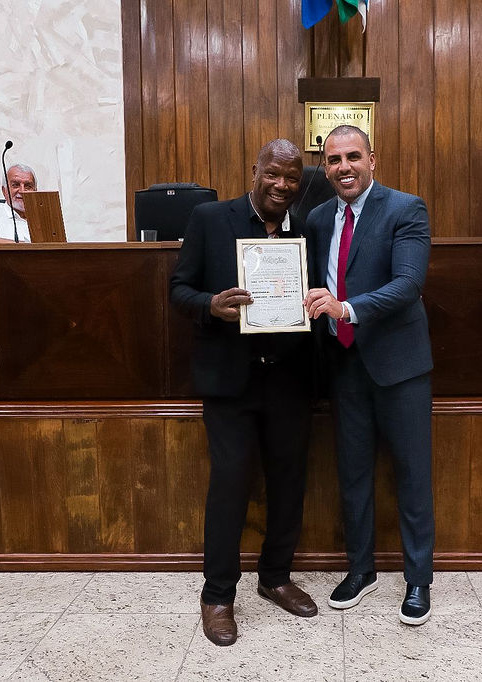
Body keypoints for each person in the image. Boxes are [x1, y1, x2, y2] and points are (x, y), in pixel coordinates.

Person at [169, 139, 316, 647]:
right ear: (254, 170)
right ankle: (217, 596)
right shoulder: (210, 218)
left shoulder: (308, 228)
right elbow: (178, 289)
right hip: (229, 380)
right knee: (230, 484)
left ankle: (275, 577)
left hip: (290, 379)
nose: (282, 185)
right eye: (273, 174)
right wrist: (210, 304)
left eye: (292, 177)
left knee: (289, 481)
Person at [302, 125, 435, 626]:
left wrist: (345, 308)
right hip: (343, 364)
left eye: (352, 156)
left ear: (372, 160)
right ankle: (361, 570)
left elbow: (408, 284)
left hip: (399, 366)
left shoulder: (406, 208)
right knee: (352, 472)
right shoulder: (316, 218)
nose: (343, 167)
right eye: (333, 160)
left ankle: (418, 578)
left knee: (412, 473)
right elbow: (311, 280)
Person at [0, 164, 36, 243]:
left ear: (35, 191)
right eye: (15, 185)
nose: (22, 191)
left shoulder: (45, 217)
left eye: (28, 186)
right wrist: (30, 248)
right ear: (4, 191)